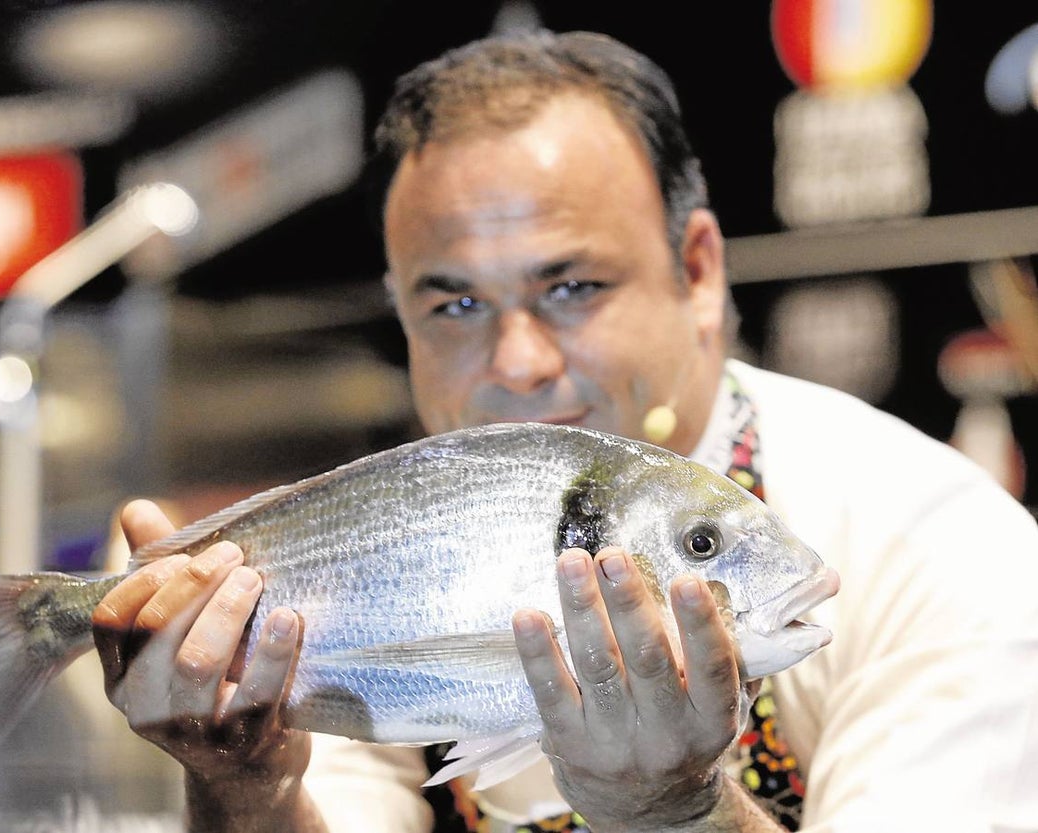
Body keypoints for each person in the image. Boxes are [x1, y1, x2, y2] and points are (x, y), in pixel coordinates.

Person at [90, 29, 1038, 833]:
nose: (517, 361)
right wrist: (247, 790)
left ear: (698, 273)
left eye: (572, 287)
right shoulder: (392, 544)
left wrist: (679, 808)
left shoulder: (947, 552)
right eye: (454, 301)